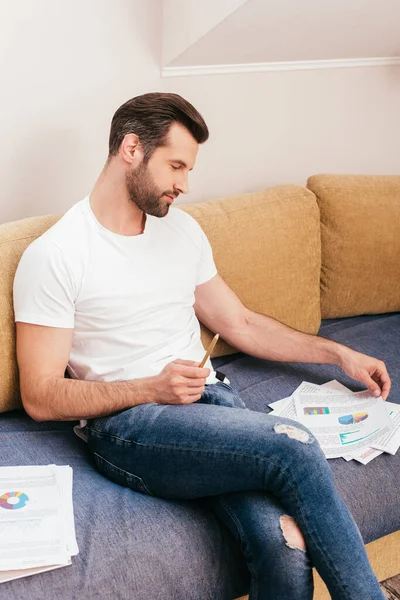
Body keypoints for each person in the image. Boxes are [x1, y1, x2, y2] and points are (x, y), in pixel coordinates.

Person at [13, 92, 390, 600]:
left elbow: (240, 322)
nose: (183, 185)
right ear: (130, 149)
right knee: (294, 447)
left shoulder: (182, 232)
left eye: (187, 170)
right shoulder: (57, 255)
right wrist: (153, 387)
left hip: (214, 404)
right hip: (130, 424)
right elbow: (39, 396)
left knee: (283, 546)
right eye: (175, 166)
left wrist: (339, 353)